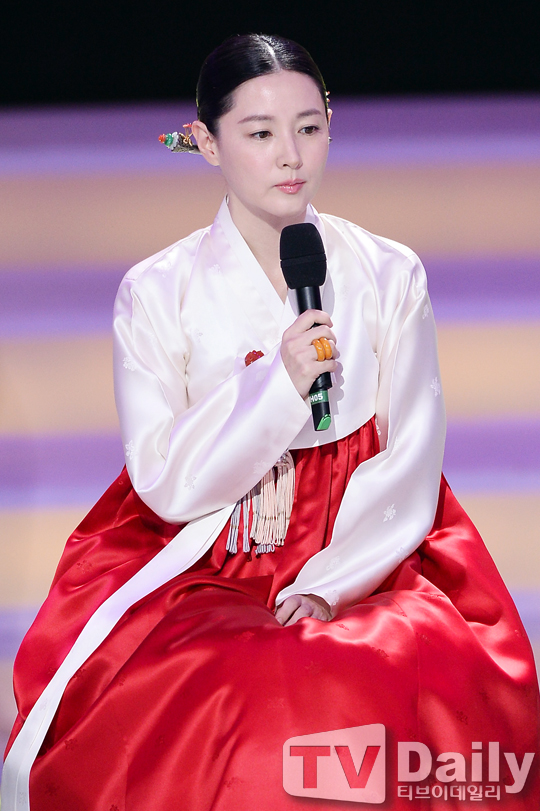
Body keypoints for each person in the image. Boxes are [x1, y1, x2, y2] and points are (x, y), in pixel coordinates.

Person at [3, 33, 539, 811]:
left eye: (309, 128)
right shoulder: (156, 291)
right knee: (236, 698)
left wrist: (332, 583)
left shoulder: (388, 272)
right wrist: (276, 386)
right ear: (206, 143)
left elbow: (412, 451)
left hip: (366, 538)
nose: (291, 156)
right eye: (259, 133)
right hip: (204, 546)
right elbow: (163, 477)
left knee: (386, 678)